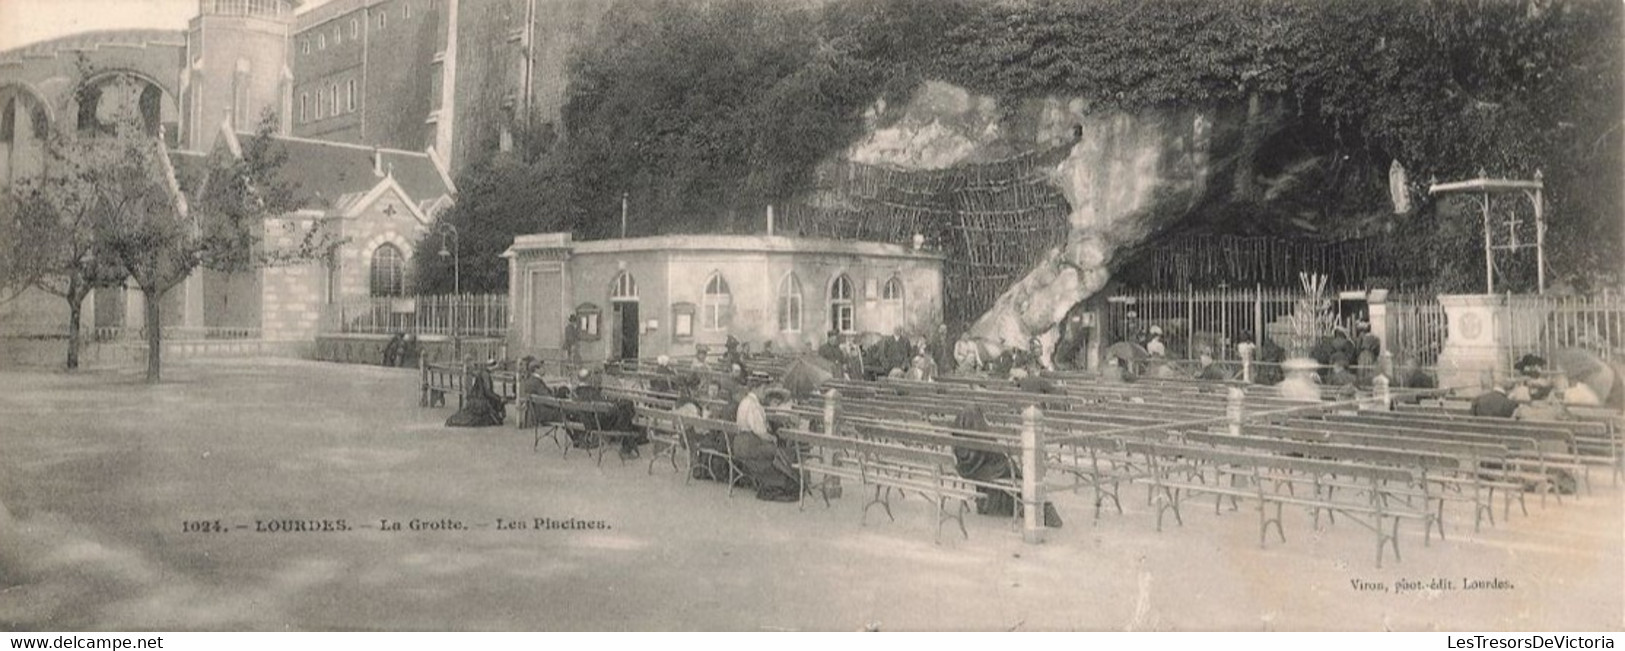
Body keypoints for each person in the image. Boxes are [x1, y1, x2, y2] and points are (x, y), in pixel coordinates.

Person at [949, 406, 1061, 527]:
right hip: (991, 472)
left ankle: (993, 504)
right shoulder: (988, 446)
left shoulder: (962, 453)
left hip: (968, 471)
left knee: (1003, 469)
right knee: (1009, 470)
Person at [731, 379, 800, 502]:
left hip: (739, 443)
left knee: (775, 449)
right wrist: (773, 438)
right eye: (763, 389)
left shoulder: (744, 402)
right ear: (756, 389)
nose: (764, 393)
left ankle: (779, 479)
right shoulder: (754, 406)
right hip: (750, 445)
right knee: (778, 450)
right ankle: (783, 481)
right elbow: (761, 432)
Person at [446, 357, 506, 427]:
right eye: (495, 367)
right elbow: (488, 392)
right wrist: (499, 398)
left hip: (477, 398)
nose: (496, 370)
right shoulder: (485, 374)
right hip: (481, 401)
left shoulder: (483, 372)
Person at [517, 359, 553, 429]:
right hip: (542, 413)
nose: (544, 370)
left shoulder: (530, 380)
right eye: (542, 368)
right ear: (536, 369)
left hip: (535, 410)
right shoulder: (537, 382)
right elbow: (547, 397)